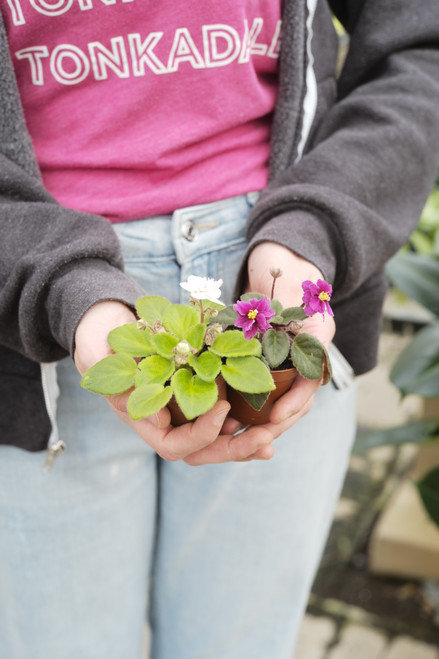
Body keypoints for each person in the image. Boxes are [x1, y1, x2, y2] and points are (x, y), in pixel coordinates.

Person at [0, 1, 438, 658]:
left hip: (282, 264)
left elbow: (419, 39)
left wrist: (317, 230)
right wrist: (64, 287)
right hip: (27, 305)